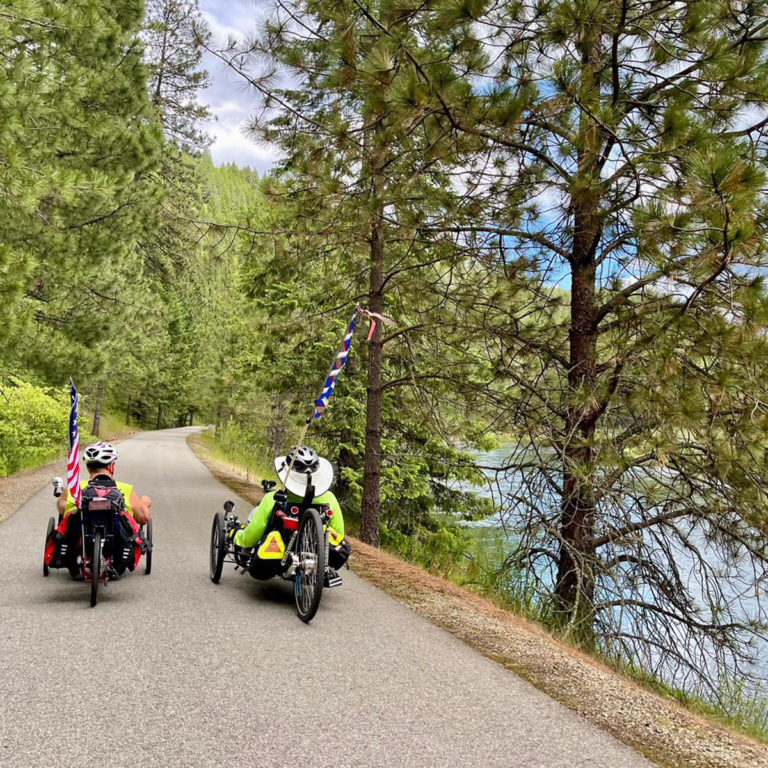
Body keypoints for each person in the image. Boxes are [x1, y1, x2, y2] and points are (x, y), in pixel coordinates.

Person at [233, 445, 350, 584]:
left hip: (279, 558)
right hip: (316, 553)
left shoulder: (273, 498)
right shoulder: (329, 499)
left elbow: (253, 534)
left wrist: (238, 537)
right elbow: (338, 533)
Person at [46, 441, 152, 575]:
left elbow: (61, 507)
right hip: (116, 543)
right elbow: (144, 518)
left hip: (79, 540)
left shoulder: (75, 488)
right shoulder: (124, 489)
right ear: (111, 466)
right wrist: (144, 501)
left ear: (89, 468)